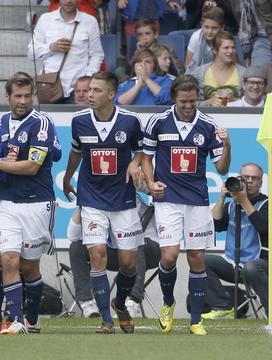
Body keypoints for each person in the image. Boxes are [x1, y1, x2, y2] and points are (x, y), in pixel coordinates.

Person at [142, 74, 232, 335]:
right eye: (183, 101)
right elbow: (146, 158)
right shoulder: (158, 122)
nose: (188, 106)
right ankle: (168, 302)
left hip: (197, 201)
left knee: (197, 258)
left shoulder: (207, 124)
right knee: (169, 257)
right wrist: (150, 182)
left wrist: (227, 144)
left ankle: (195, 320)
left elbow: (222, 167)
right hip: (167, 199)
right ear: (174, 98)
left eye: (192, 101)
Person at [62, 71, 145, 334]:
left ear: (112, 94)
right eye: (88, 90)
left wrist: (134, 162)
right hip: (92, 199)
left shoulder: (130, 121)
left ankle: (120, 304)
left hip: (123, 199)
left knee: (128, 264)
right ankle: (106, 320)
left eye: (97, 91)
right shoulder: (79, 121)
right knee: (97, 256)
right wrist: (67, 178)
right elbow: (76, 152)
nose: (90, 95)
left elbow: (142, 149)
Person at [0, 72, 58, 335]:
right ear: (8, 96)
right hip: (6, 202)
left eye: (27, 95)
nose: (23, 101)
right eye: (18, 96)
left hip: (37, 202)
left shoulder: (42, 123)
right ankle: (16, 320)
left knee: (29, 266)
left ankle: (32, 319)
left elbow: (32, 166)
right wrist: (4, 165)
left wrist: (0, 164)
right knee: (8, 259)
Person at [68, 196, 161, 319]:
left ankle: (133, 301)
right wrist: (81, 207)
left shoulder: (131, 199)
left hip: (148, 249)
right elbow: (72, 237)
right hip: (115, 252)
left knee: (136, 243)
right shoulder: (93, 198)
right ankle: (87, 302)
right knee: (76, 247)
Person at [203, 163, 268, 319]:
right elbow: (215, 225)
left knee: (252, 268)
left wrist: (244, 200)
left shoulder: (266, 204)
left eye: (254, 178)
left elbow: (264, 228)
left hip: (260, 265)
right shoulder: (231, 205)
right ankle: (222, 305)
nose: (250, 181)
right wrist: (221, 198)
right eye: (246, 178)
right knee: (201, 260)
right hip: (233, 264)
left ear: (261, 182)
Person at [27, 0, 104, 103]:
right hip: (49, 87)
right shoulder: (45, 19)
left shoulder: (90, 21)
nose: (68, 1)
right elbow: (31, 53)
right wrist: (51, 47)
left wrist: (88, 78)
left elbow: (97, 55)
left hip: (78, 91)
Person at [189, 32, 246, 107]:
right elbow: (189, 103)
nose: (231, 51)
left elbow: (251, 104)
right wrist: (207, 102)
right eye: (226, 48)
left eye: (233, 47)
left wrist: (235, 101)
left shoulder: (244, 72)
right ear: (215, 50)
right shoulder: (199, 72)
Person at [185, 7, 224, 74]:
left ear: (222, 28)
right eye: (206, 27)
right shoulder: (196, 37)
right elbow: (188, 66)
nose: (209, 32)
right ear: (201, 25)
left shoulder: (227, 40)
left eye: (214, 28)